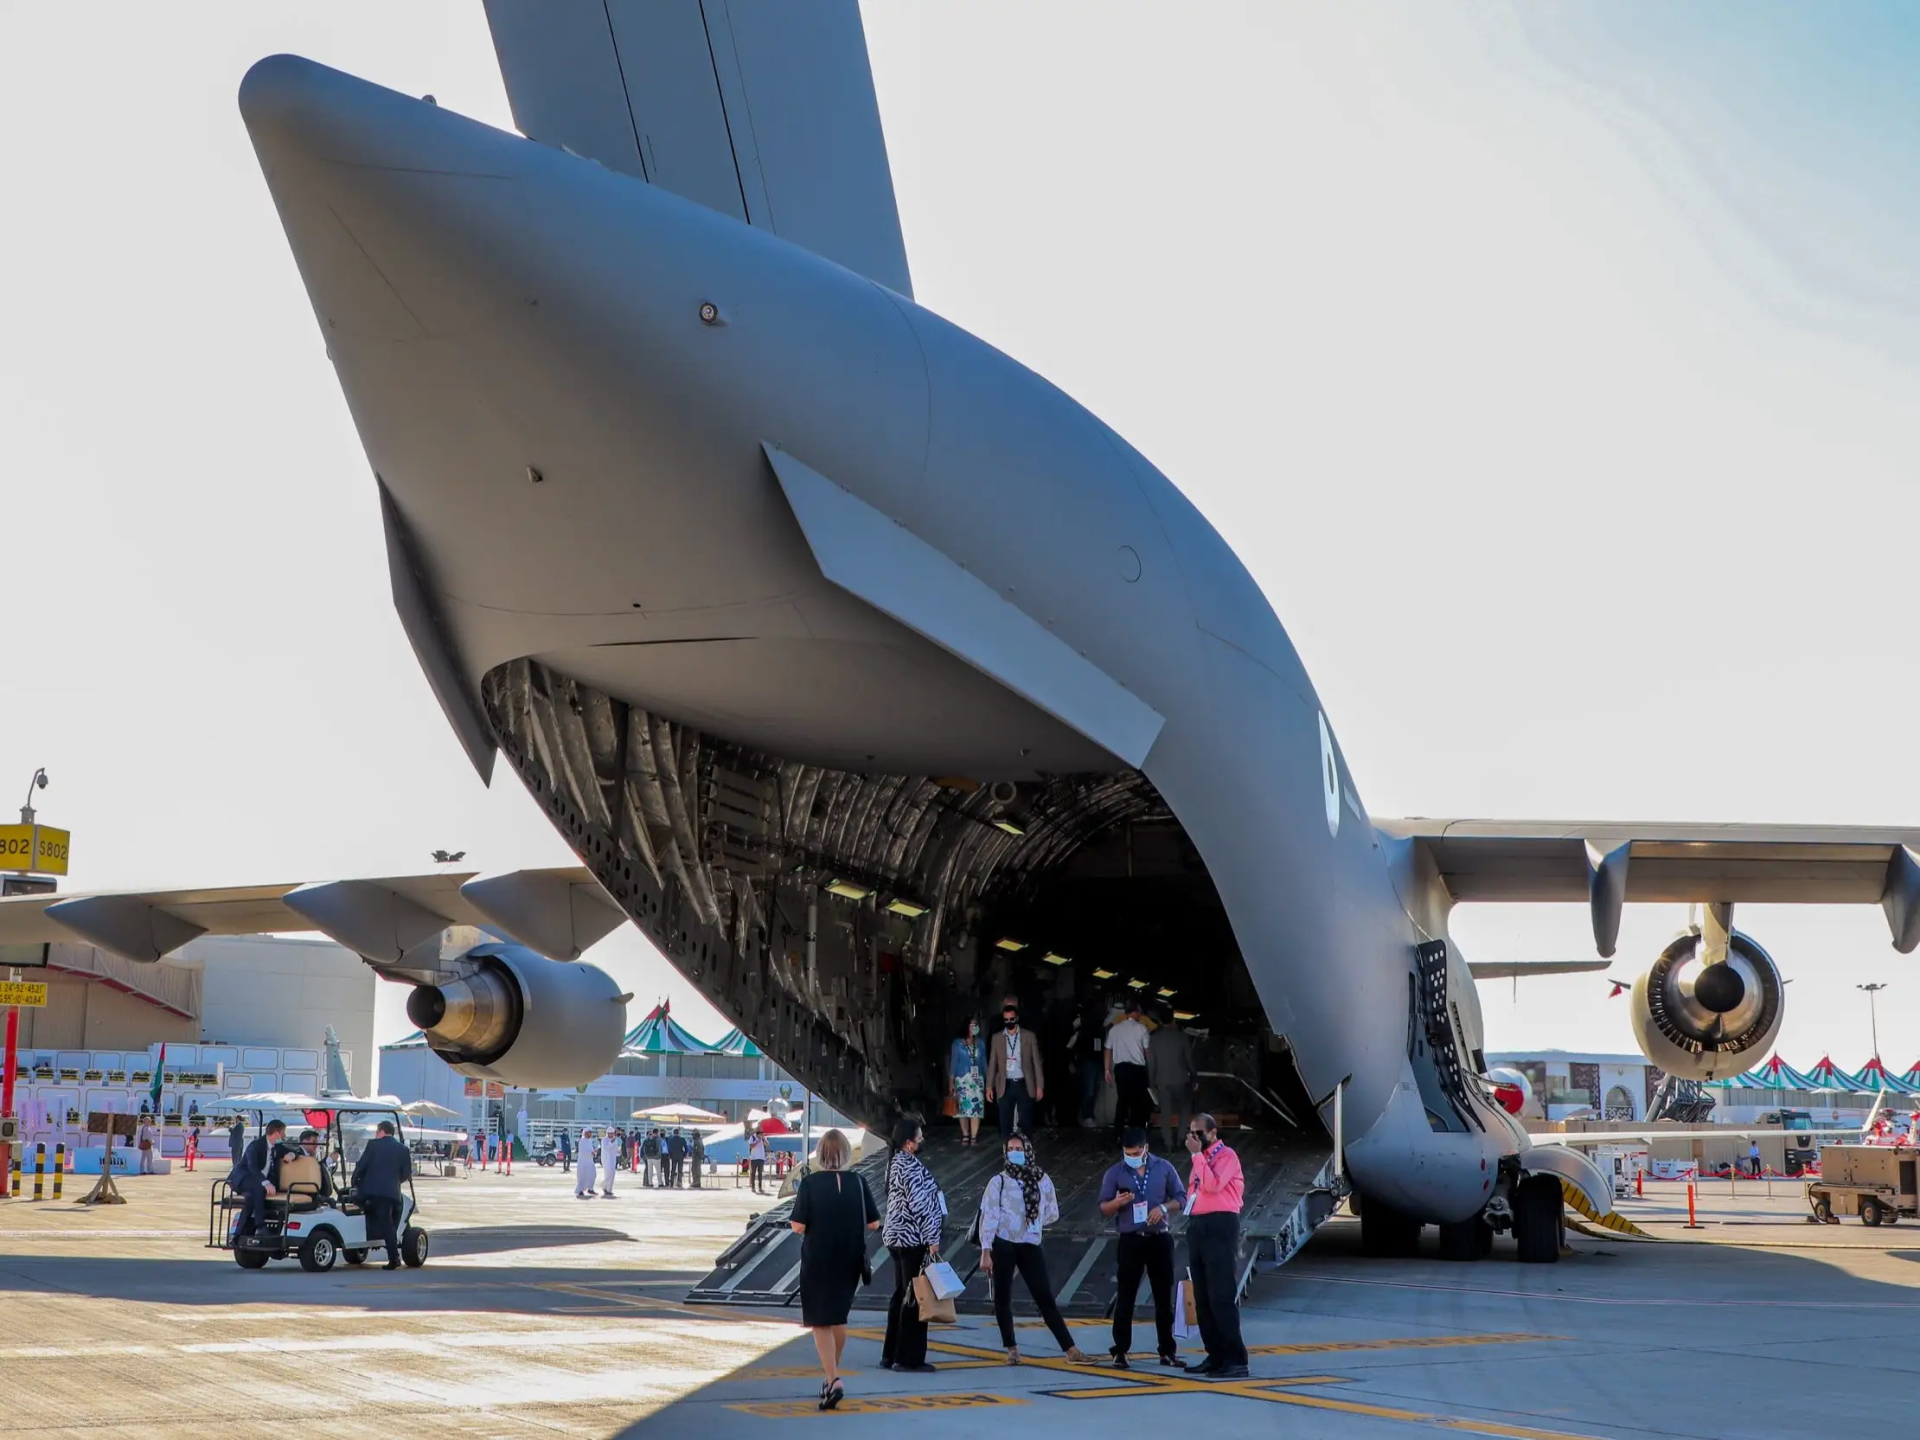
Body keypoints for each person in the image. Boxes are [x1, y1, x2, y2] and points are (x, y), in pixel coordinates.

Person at [979, 1130, 1093, 1365]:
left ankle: (1070, 1349)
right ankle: (1011, 1348)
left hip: (1030, 1242)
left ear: (1028, 1151)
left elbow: (1053, 1212)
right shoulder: (998, 1181)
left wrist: (1033, 1222)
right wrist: (986, 1251)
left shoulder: (1041, 1179)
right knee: (1002, 1297)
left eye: (1019, 1149)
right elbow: (988, 1217)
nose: (1014, 1153)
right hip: (1004, 1242)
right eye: (1010, 1149)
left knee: (1044, 1296)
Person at [790, 1129, 880, 1410]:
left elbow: (798, 1225)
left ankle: (833, 1377)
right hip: (851, 1257)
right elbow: (874, 1223)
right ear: (844, 1152)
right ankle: (830, 1378)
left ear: (820, 1153)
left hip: (819, 1258)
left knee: (820, 1321)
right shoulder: (858, 1181)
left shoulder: (810, 1183)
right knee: (839, 1318)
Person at [1099, 1127, 1187, 1368]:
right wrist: (1117, 1202)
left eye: (1136, 1152)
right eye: (1128, 1153)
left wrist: (1164, 1208)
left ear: (1146, 1148)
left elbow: (1182, 1197)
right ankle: (1120, 1351)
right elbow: (1104, 1207)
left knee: (1162, 1297)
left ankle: (1167, 1350)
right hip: (1131, 1238)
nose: (1132, 1156)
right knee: (1126, 1296)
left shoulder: (1164, 1168)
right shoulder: (1115, 1173)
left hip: (1159, 1237)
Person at [1183, 1114, 1248, 1379]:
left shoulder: (1226, 1156)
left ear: (1213, 1132)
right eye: (1191, 1133)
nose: (1194, 1138)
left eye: (1199, 1132)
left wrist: (1197, 1156)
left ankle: (1236, 1358)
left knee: (1221, 1295)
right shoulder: (1200, 1160)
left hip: (1221, 1224)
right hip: (1199, 1224)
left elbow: (1213, 1185)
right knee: (1203, 1296)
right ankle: (1216, 1353)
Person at [879, 1116, 944, 1374]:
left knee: (901, 1294)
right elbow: (921, 1207)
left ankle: (890, 1353)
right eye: (919, 1137)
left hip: (896, 1237)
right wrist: (933, 1239)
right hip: (913, 1238)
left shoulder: (895, 1163)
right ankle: (908, 1357)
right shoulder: (911, 1167)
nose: (922, 1140)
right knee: (916, 1297)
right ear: (909, 1143)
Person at [351, 1119, 413, 1270]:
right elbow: (406, 1174)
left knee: (386, 1224)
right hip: (392, 1193)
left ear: (381, 1131)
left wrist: (355, 1181)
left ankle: (394, 1258)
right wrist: (393, 1182)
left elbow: (362, 1166)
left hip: (373, 1192)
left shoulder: (373, 1145)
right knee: (391, 1221)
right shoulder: (402, 1149)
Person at [985, 997, 1044, 1137]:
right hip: (1005, 1083)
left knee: (1026, 1121)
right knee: (1005, 1121)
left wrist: (1040, 1085)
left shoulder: (1028, 1036)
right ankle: (1008, 1151)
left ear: (1017, 1018)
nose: (1009, 1022)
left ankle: (1026, 1150)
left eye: (1012, 1019)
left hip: (1024, 1082)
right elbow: (993, 1063)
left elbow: (1036, 1062)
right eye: (1006, 1020)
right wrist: (989, 1086)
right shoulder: (997, 1038)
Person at [1146, 1008, 1196, 1152]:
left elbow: (1152, 1063)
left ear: (1160, 1021)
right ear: (1173, 1019)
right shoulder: (1182, 1037)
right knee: (1184, 1109)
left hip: (1162, 1081)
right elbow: (1189, 1060)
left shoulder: (1154, 1039)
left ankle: (1168, 1142)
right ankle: (1180, 1138)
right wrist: (1194, 1076)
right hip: (1181, 1079)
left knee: (1165, 1112)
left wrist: (1151, 1082)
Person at [229, 1118, 285, 1240]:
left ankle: (237, 1235)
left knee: (250, 1199)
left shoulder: (277, 1147)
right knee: (258, 1187)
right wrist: (266, 1183)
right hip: (243, 1178)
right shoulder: (255, 1146)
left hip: (254, 1185)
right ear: (276, 1133)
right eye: (283, 1133)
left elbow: (291, 1151)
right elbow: (252, 1167)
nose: (284, 1136)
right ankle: (260, 1225)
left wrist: (292, 1154)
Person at [1106, 999, 1152, 1137]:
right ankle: (1135, 1133)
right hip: (1137, 1070)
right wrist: (1151, 1069)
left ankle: (1118, 1134)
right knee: (1137, 1103)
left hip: (1120, 1069)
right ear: (1135, 1012)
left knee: (1122, 1101)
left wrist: (1107, 1069)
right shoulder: (1142, 1028)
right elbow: (1147, 1052)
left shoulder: (1115, 1029)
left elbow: (1107, 1049)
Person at [949, 1018, 987, 1146]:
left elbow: (984, 1063)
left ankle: (974, 1136)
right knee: (963, 1109)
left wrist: (988, 1080)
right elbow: (953, 1063)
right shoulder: (957, 1044)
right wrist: (951, 1081)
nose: (974, 1027)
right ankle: (965, 1134)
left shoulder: (981, 1043)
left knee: (976, 1109)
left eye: (976, 1025)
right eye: (972, 1025)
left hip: (977, 1080)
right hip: (962, 1080)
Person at [1068, 1001, 1103, 1129]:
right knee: (1090, 1091)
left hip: (1090, 1061)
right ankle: (1087, 1116)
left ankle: (1088, 1116)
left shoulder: (1083, 1027)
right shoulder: (1093, 1027)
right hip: (1091, 1061)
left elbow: (1072, 1046)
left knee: (1091, 1090)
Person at [295, 1128, 337, 1200]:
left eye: (317, 1142)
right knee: (331, 1201)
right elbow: (310, 1167)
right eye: (314, 1141)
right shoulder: (298, 1154)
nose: (316, 1145)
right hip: (304, 1190)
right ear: (305, 1141)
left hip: (311, 1188)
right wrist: (329, 1160)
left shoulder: (309, 1155)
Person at [576, 1128, 598, 1198]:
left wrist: (594, 1152)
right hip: (583, 1162)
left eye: (591, 1132)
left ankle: (590, 1189)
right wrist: (591, 1153)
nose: (590, 1134)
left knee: (593, 1174)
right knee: (582, 1176)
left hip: (590, 1161)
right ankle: (580, 1190)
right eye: (589, 1132)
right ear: (585, 1133)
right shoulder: (582, 1141)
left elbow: (591, 1150)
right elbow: (582, 1151)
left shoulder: (589, 1141)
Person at [748, 1126, 769, 1194]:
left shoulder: (763, 1137)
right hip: (754, 1158)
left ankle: (760, 1187)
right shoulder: (753, 1137)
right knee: (753, 1173)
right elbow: (751, 1146)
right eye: (759, 1132)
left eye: (761, 1132)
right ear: (756, 1132)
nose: (761, 1133)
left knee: (760, 1173)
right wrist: (758, 1141)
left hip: (761, 1158)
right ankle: (753, 1187)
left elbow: (767, 1144)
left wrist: (763, 1139)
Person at [600, 1125, 619, 1197]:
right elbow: (606, 1148)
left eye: (612, 1133)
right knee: (608, 1174)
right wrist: (611, 1142)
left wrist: (618, 1153)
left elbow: (615, 1149)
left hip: (613, 1159)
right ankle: (604, 1186)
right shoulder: (604, 1140)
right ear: (607, 1133)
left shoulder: (615, 1140)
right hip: (606, 1160)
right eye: (610, 1133)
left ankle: (609, 1189)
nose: (611, 1134)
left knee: (612, 1175)